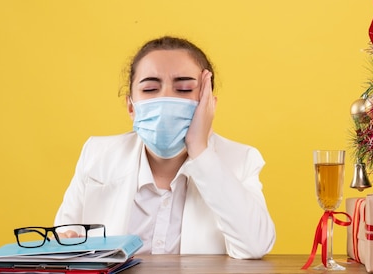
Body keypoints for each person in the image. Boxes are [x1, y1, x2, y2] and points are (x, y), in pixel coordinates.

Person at [54, 36, 276, 259]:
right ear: (131, 106)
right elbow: (63, 239)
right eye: (150, 89)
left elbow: (254, 246)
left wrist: (200, 149)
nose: (166, 98)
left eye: (184, 89)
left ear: (208, 105)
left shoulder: (241, 159)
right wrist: (66, 243)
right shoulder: (97, 155)